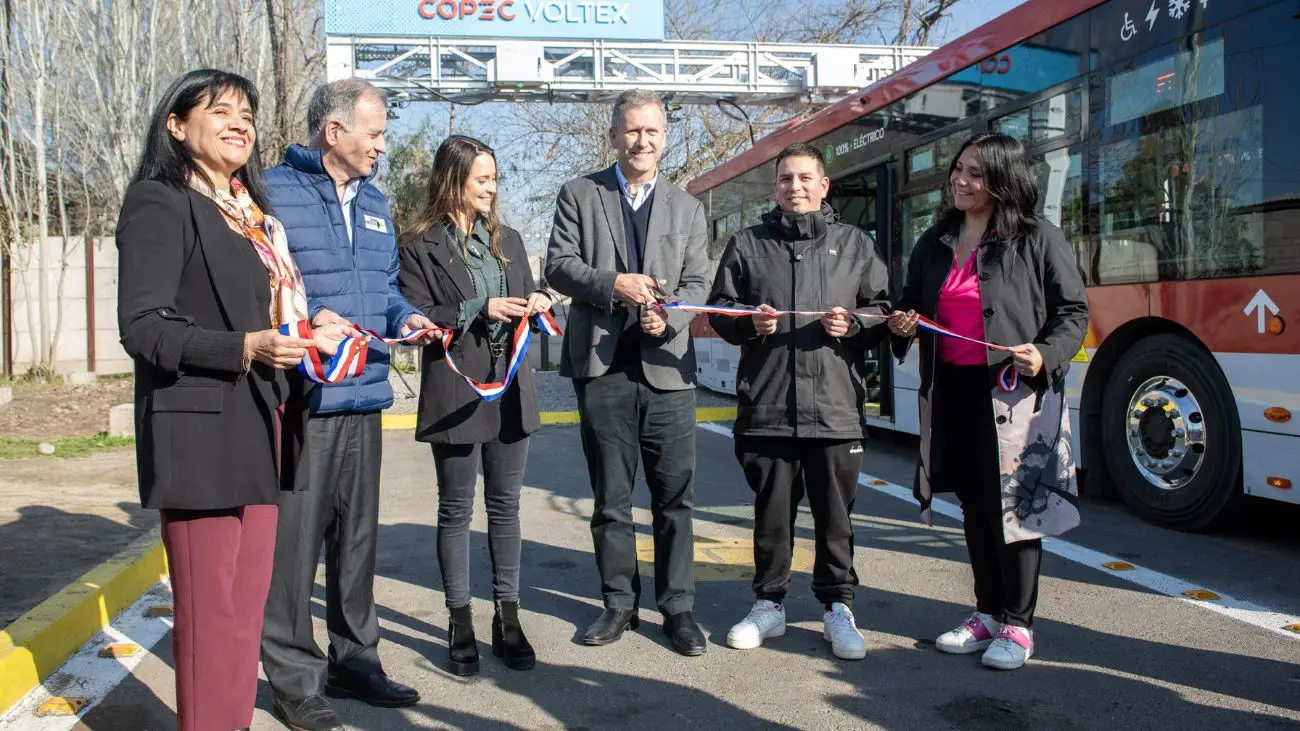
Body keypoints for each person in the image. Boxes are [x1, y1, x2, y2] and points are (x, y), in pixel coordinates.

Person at [116, 68, 357, 731]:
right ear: (175, 124)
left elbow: (261, 316)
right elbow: (144, 326)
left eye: (247, 111)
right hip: (200, 432)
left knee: (243, 617)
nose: (240, 122)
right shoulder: (160, 201)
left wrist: (307, 333)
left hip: (264, 421)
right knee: (210, 618)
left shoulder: (251, 214)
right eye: (219, 109)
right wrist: (245, 348)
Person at [259, 79, 437, 731]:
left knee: (356, 541)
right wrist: (305, 322)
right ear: (334, 132)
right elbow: (259, 290)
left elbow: (386, 289)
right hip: (304, 398)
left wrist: (409, 317)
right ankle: (295, 681)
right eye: (376, 133)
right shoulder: (272, 193)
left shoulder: (375, 201)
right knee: (294, 547)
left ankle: (355, 658)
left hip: (365, 396)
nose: (382, 146)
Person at [887, 133, 1089, 671]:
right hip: (953, 392)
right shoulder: (934, 240)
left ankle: (1019, 625)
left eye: (975, 173)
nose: (960, 180)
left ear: (1002, 178)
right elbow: (910, 304)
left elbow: (1073, 313)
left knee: (1018, 510)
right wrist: (902, 322)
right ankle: (987, 613)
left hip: (1014, 394)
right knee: (977, 507)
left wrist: (1045, 354)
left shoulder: (1038, 237)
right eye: (958, 170)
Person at [706, 143, 891, 660]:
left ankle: (838, 608)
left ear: (824, 185)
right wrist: (750, 322)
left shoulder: (855, 244)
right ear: (776, 187)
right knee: (771, 517)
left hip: (834, 410)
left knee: (836, 519)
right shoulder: (747, 244)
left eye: (806, 178)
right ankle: (769, 604)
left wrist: (853, 323)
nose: (796, 187)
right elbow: (718, 309)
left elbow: (882, 309)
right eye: (786, 179)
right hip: (767, 407)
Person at [544, 89, 710, 656]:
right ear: (613, 136)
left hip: (668, 371)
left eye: (653, 133)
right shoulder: (579, 194)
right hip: (604, 367)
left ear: (665, 139)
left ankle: (679, 609)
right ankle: (618, 604)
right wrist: (612, 284)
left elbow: (697, 287)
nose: (642, 142)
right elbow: (559, 266)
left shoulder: (688, 208)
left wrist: (673, 317)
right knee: (611, 498)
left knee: (674, 499)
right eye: (631, 131)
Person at [397, 135, 554, 676]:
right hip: (457, 391)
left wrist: (537, 302)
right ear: (453, 179)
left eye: (494, 178)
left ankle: (508, 616)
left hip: (510, 390)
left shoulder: (507, 238)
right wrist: (476, 306)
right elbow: (417, 313)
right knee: (456, 510)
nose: (490, 188)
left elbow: (531, 297)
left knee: (506, 508)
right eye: (480, 179)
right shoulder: (419, 244)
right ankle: (459, 618)